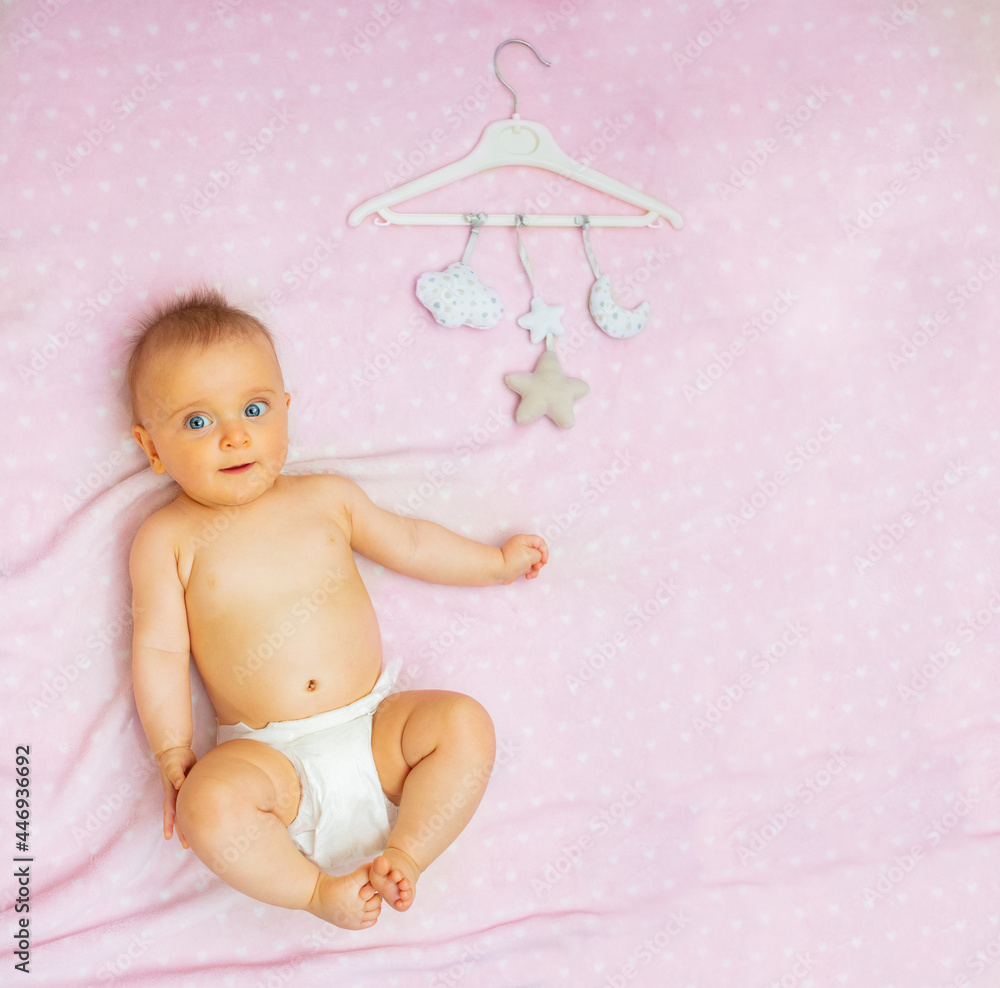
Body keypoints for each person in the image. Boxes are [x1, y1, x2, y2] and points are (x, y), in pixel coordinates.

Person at [126, 288, 547, 929]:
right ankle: (316, 892)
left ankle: (406, 855)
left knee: (464, 724)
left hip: (378, 733)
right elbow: (159, 648)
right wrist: (171, 749)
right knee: (206, 805)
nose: (234, 435)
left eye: (255, 408)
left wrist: (492, 565)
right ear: (151, 448)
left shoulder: (327, 498)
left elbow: (408, 541)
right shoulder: (167, 538)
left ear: (286, 412)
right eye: (196, 422)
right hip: (273, 761)